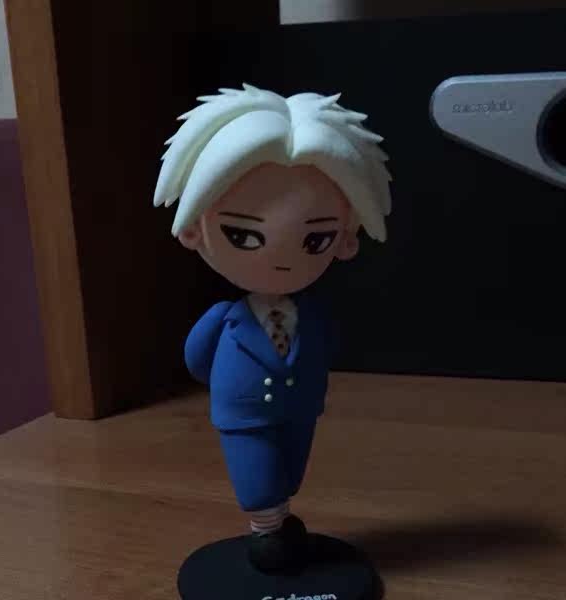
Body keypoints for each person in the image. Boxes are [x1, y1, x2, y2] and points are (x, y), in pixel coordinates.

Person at [154, 84, 392, 572]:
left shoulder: (314, 316)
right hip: (242, 416)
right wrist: (231, 387)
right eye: (242, 235)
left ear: (346, 240)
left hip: (300, 410)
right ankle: (269, 529)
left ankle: (279, 522)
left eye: (316, 239)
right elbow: (197, 361)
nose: (281, 259)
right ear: (195, 229)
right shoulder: (224, 321)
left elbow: (326, 347)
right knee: (257, 481)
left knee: (290, 473)